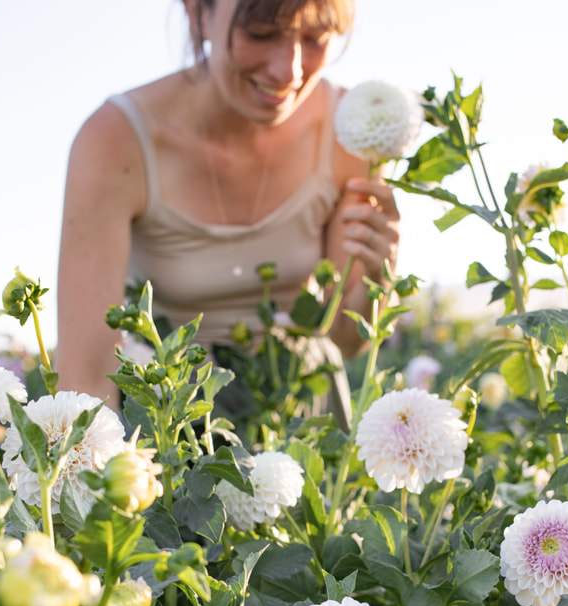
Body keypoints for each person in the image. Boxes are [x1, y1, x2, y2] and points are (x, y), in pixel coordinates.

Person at [55, 0, 400, 409]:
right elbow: (85, 378)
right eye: (261, 33)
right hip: (167, 421)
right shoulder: (115, 140)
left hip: (302, 418)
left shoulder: (351, 128)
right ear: (197, 13)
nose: (288, 71)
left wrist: (378, 274)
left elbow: (345, 339)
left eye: (315, 38)